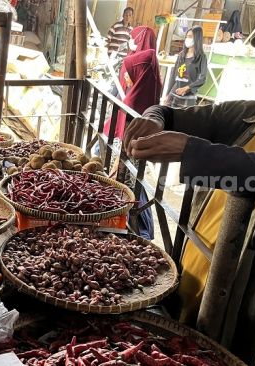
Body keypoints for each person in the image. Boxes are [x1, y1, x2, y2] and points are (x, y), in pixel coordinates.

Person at [123, 21, 255, 365]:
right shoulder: (246, 116)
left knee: (215, 356)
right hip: (187, 265)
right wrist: (153, 119)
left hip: (239, 289)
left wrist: (193, 151)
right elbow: (168, 114)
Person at [103, 29, 162, 241]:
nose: (126, 77)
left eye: (129, 73)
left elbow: (128, 138)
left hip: (133, 153)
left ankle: (142, 230)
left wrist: (119, 160)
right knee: (132, 187)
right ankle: (138, 228)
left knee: (134, 188)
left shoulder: (137, 102)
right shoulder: (144, 89)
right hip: (129, 153)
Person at [165, 26, 207, 108]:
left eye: (190, 36)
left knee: (181, 120)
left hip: (188, 97)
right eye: (187, 36)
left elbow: (202, 78)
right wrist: (167, 93)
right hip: (173, 93)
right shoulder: (181, 55)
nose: (188, 39)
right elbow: (173, 75)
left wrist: (187, 88)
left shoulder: (201, 57)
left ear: (197, 38)